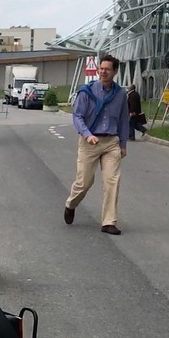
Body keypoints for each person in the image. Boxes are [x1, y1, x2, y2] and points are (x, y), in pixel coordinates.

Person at [64, 55, 130, 235]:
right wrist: (87, 134)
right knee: (84, 182)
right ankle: (71, 203)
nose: (103, 72)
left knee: (112, 181)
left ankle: (109, 222)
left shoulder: (121, 94)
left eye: (107, 69)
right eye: (101, 68)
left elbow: (124, 120)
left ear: (115, 72)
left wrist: (123, 144)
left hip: (111, 143)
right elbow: (77, 116)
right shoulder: (87, 92)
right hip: (89, 142)